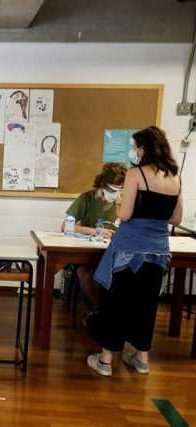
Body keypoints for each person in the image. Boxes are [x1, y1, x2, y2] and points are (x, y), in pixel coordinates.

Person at [87, 126, 183, 377]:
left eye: (135, 147)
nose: (134, 151)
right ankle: (141, 359)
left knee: (115, 303)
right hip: (158, 252)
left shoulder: (135, 174)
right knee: (146, 304)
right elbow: (176, 218)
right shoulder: (175, 177)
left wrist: (120, 204)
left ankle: (105, 360)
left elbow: (126, 215)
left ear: (144, 148)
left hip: (129, 250)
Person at [62, 163, 127, 310]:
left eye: (121, 189)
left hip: (114, 254)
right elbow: (66, 226)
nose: (116, 194)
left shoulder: (125, 202)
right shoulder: (86, 199)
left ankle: (115, 311)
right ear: (103, 184)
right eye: (112, 189)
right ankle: (98, 310)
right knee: (85, 273)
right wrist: (94, 231)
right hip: (89, 254)